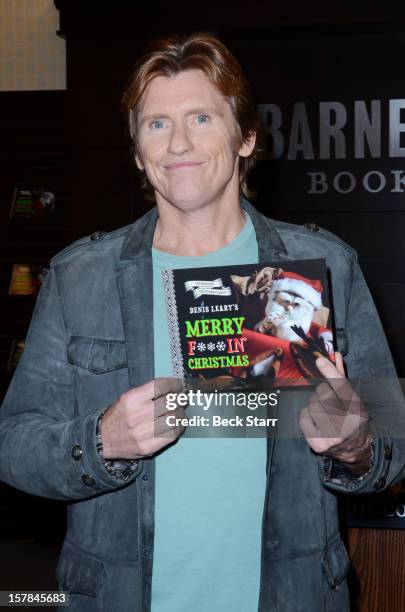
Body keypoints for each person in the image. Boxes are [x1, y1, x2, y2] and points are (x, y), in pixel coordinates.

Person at [0, 33, 401, 612]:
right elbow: (12, 444)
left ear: (246, 139)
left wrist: (356, 443)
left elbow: (393, 445)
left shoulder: (322, 268)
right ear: (138, 150)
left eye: (201, 118)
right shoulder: (79, 277)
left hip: (287, 597)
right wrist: (100, 442)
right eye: (156, 124)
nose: (178, 143)